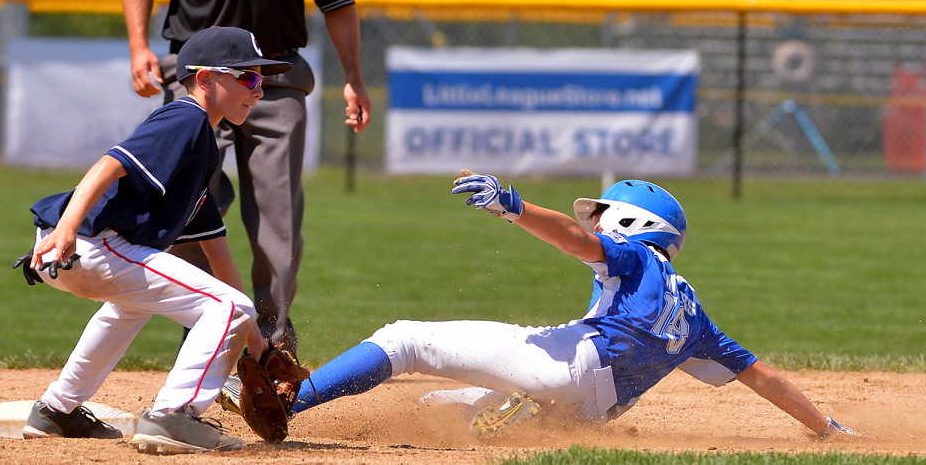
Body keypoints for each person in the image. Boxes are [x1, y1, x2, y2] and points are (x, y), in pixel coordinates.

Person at [269, 174, 865, 440]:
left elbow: (577, 240)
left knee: (405, 340)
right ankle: (514, 420)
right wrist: (825, 427)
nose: (597, 224)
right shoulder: (693, 312)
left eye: (606, 214)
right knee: (442, 407)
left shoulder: (634, 257)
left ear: (635, 224)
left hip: (571, 364)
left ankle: (287, 402)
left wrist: (513, 207)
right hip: (591, 410)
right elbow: (762, 376)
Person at [122, 0, 374, 352]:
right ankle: (205, 331)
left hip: (276, 82)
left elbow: (338, 1)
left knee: (278, 218)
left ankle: (273, 342)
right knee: (188, 207)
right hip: (201, 82)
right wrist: (138, 48)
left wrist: (354, 76)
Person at [15, 27, 288, 454]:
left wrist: (257, 347)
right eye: (248, 78)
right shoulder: (187, 118)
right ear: (205, 79)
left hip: (86, 249)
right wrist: (67, 230)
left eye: (262, 80)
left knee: (131, 307)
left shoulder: (201, 158)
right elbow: (109, 164)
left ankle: (57, 410)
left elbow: (221, 259)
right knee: (230, 307)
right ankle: (174, 416)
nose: (259, 90)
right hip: (83, 243)